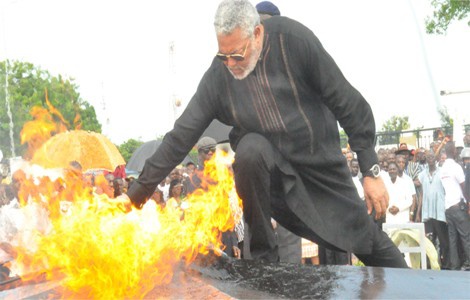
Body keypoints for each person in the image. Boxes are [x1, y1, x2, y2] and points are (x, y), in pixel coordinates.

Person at [124, 0, 406, 268]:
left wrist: (370, 170)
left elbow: (349, 104)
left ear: (257, 33)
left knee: (367, 239)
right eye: (224, 56)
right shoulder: (219, 76)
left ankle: (422, 287)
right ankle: (263, 262)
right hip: (272, 178)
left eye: (238, 54)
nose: (231, 64)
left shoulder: (294, 41)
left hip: (320, 168)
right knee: (249, 149)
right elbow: (179, 137)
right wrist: (134, 195)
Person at [440, 142, 470, 270]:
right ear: (454, 152)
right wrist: (468, 202)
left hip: (448, 208)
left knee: (452, 239)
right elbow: (464, 187)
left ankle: (454, 266)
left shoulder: (442, 168)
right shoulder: (456, 167)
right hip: (458, 206)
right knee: (466, 237)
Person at [417, 151, 450, 269]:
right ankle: (430, 266)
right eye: (428, 157)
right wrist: (417, 213)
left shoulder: (442, 173)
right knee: (429, 242)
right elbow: (420, 192)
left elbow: (447, 191)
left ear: (436, 158)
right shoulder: (422, 174)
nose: (430, 158)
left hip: (440, 213)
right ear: (425, 159)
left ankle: (445, 266)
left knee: (444, 242)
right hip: (427, 214)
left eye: (432, 156)